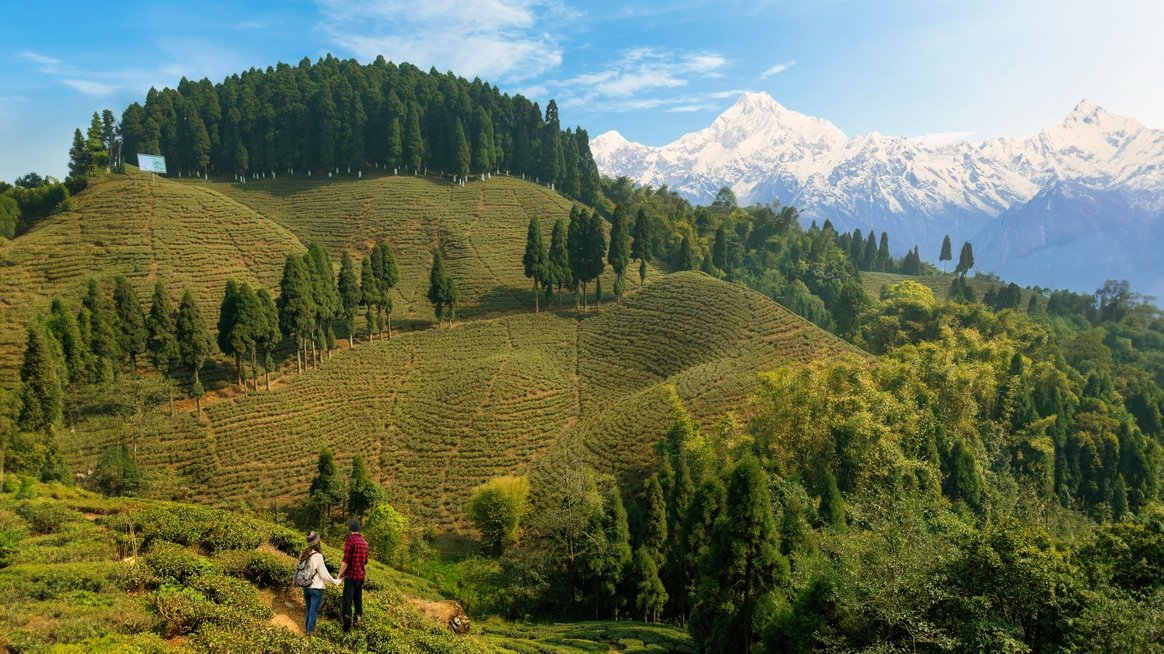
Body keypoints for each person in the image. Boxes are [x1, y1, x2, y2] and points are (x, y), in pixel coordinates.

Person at [299, 530, 341, 636]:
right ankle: (309, 633)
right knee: (313, 612)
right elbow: (324, 575)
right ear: (317, 542)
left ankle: (307, 630)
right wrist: (336, 581)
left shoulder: (304, 553)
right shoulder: (318, 556)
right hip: (316, 588)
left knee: (308, 610)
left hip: (306, 587)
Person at [338, 517, 369, 632]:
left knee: (347, 600)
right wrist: (363, 574)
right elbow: (365, 562)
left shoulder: (350, 540)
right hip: (360, 577)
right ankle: (358, 619)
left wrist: (339, 575)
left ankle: (346, 625)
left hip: (351, 576)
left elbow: (346, 560)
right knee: (358, 599)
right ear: (359, 529)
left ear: (350, 529)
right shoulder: (365, 543)